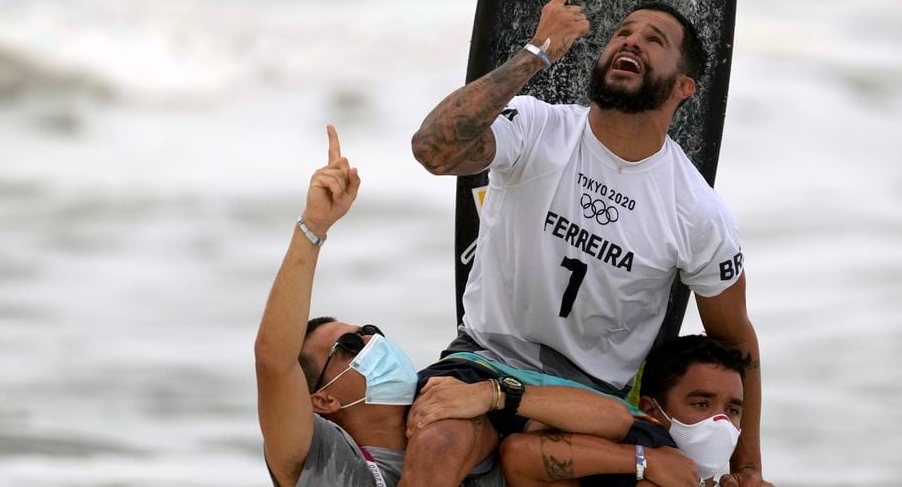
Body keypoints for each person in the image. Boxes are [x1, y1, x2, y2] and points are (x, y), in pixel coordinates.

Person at [407, 0, 769, 487]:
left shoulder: (698, 211)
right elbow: (433, 149)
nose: (631, 41)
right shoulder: (536, 127)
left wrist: (748, 467)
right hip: (486, 361)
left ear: (684, 87)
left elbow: (735, 340)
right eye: (623, 32)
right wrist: (537, 51)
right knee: (436, 443)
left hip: (594, 399)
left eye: (653, 39)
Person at [255, 123, 666, 487]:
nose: (371, 342)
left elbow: (614, 417)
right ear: (323, 400)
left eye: (370, 332)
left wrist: (495, 395)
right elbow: (274, 360)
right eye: (350, 346)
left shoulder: (453, 399)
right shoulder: (327, 462)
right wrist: (314, 227)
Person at [500, 335, 750, 487]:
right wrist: (645, 461)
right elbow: (520, 454)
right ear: (651, 411)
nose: (721, 422)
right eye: (701, 404)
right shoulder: (619, 476)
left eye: (733, 410)